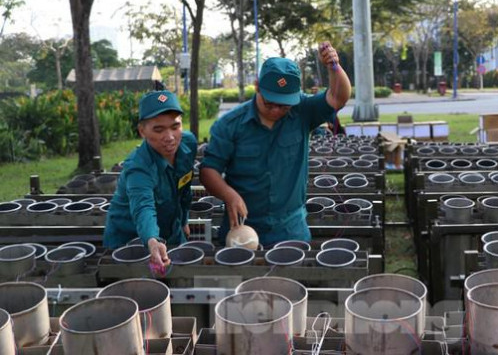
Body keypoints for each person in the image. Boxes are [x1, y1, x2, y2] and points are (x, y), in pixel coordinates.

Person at [200, 42, 351, 247]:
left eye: (284, 105)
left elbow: (337, 97)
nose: (276, 110)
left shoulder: (303, 111)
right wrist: (229, 195)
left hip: (290, 228)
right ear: (257, 87)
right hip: (242, 229)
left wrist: (334, 67)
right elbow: (209, 170)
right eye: (269, 103)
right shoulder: (229, 125)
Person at [103, 90, 197, 268]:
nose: (169, 137)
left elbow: (184, 186)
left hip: (170, 225)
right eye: (158, 130)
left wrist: (184, 220)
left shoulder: (188, 143)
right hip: (131, 240)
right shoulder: (138, 167)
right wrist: (152, 240)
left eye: (175, 127)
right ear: (142, 131)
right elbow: (143, 207)